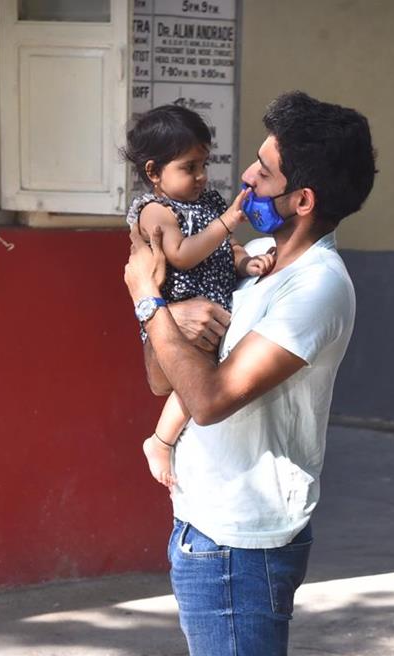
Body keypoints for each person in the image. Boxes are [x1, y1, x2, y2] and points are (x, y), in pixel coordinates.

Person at [124, 90, 376, 656]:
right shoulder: (266, 269)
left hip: (241, 543)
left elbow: (217, 396)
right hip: (210, 526)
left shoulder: (317, 287)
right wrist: (166, 328)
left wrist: (151, 297)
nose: (243, 186)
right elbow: (173, 376)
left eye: (263, 174)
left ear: (301, 197)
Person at [124, 104, 276, 489]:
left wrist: (245, 263)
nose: (201, 176)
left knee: (209, 378)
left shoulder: (206, 202)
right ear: (154, 172)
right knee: (196, 380)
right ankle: (159, 441)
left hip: (212, 309)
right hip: (177, 317)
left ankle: (169, 441)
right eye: (189, 167)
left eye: (204, 165)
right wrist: (226, 223)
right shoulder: (155, 211)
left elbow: (227, 248)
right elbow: (182, 254)